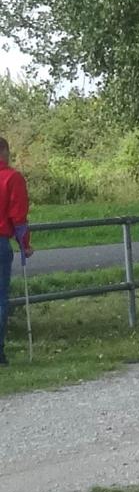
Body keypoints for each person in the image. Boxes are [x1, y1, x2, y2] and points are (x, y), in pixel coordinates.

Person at [0, 137, 33, 367]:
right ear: (3, 151)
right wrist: (25, 245)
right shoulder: (12, 178)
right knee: (0, 298)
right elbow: (18, 216)